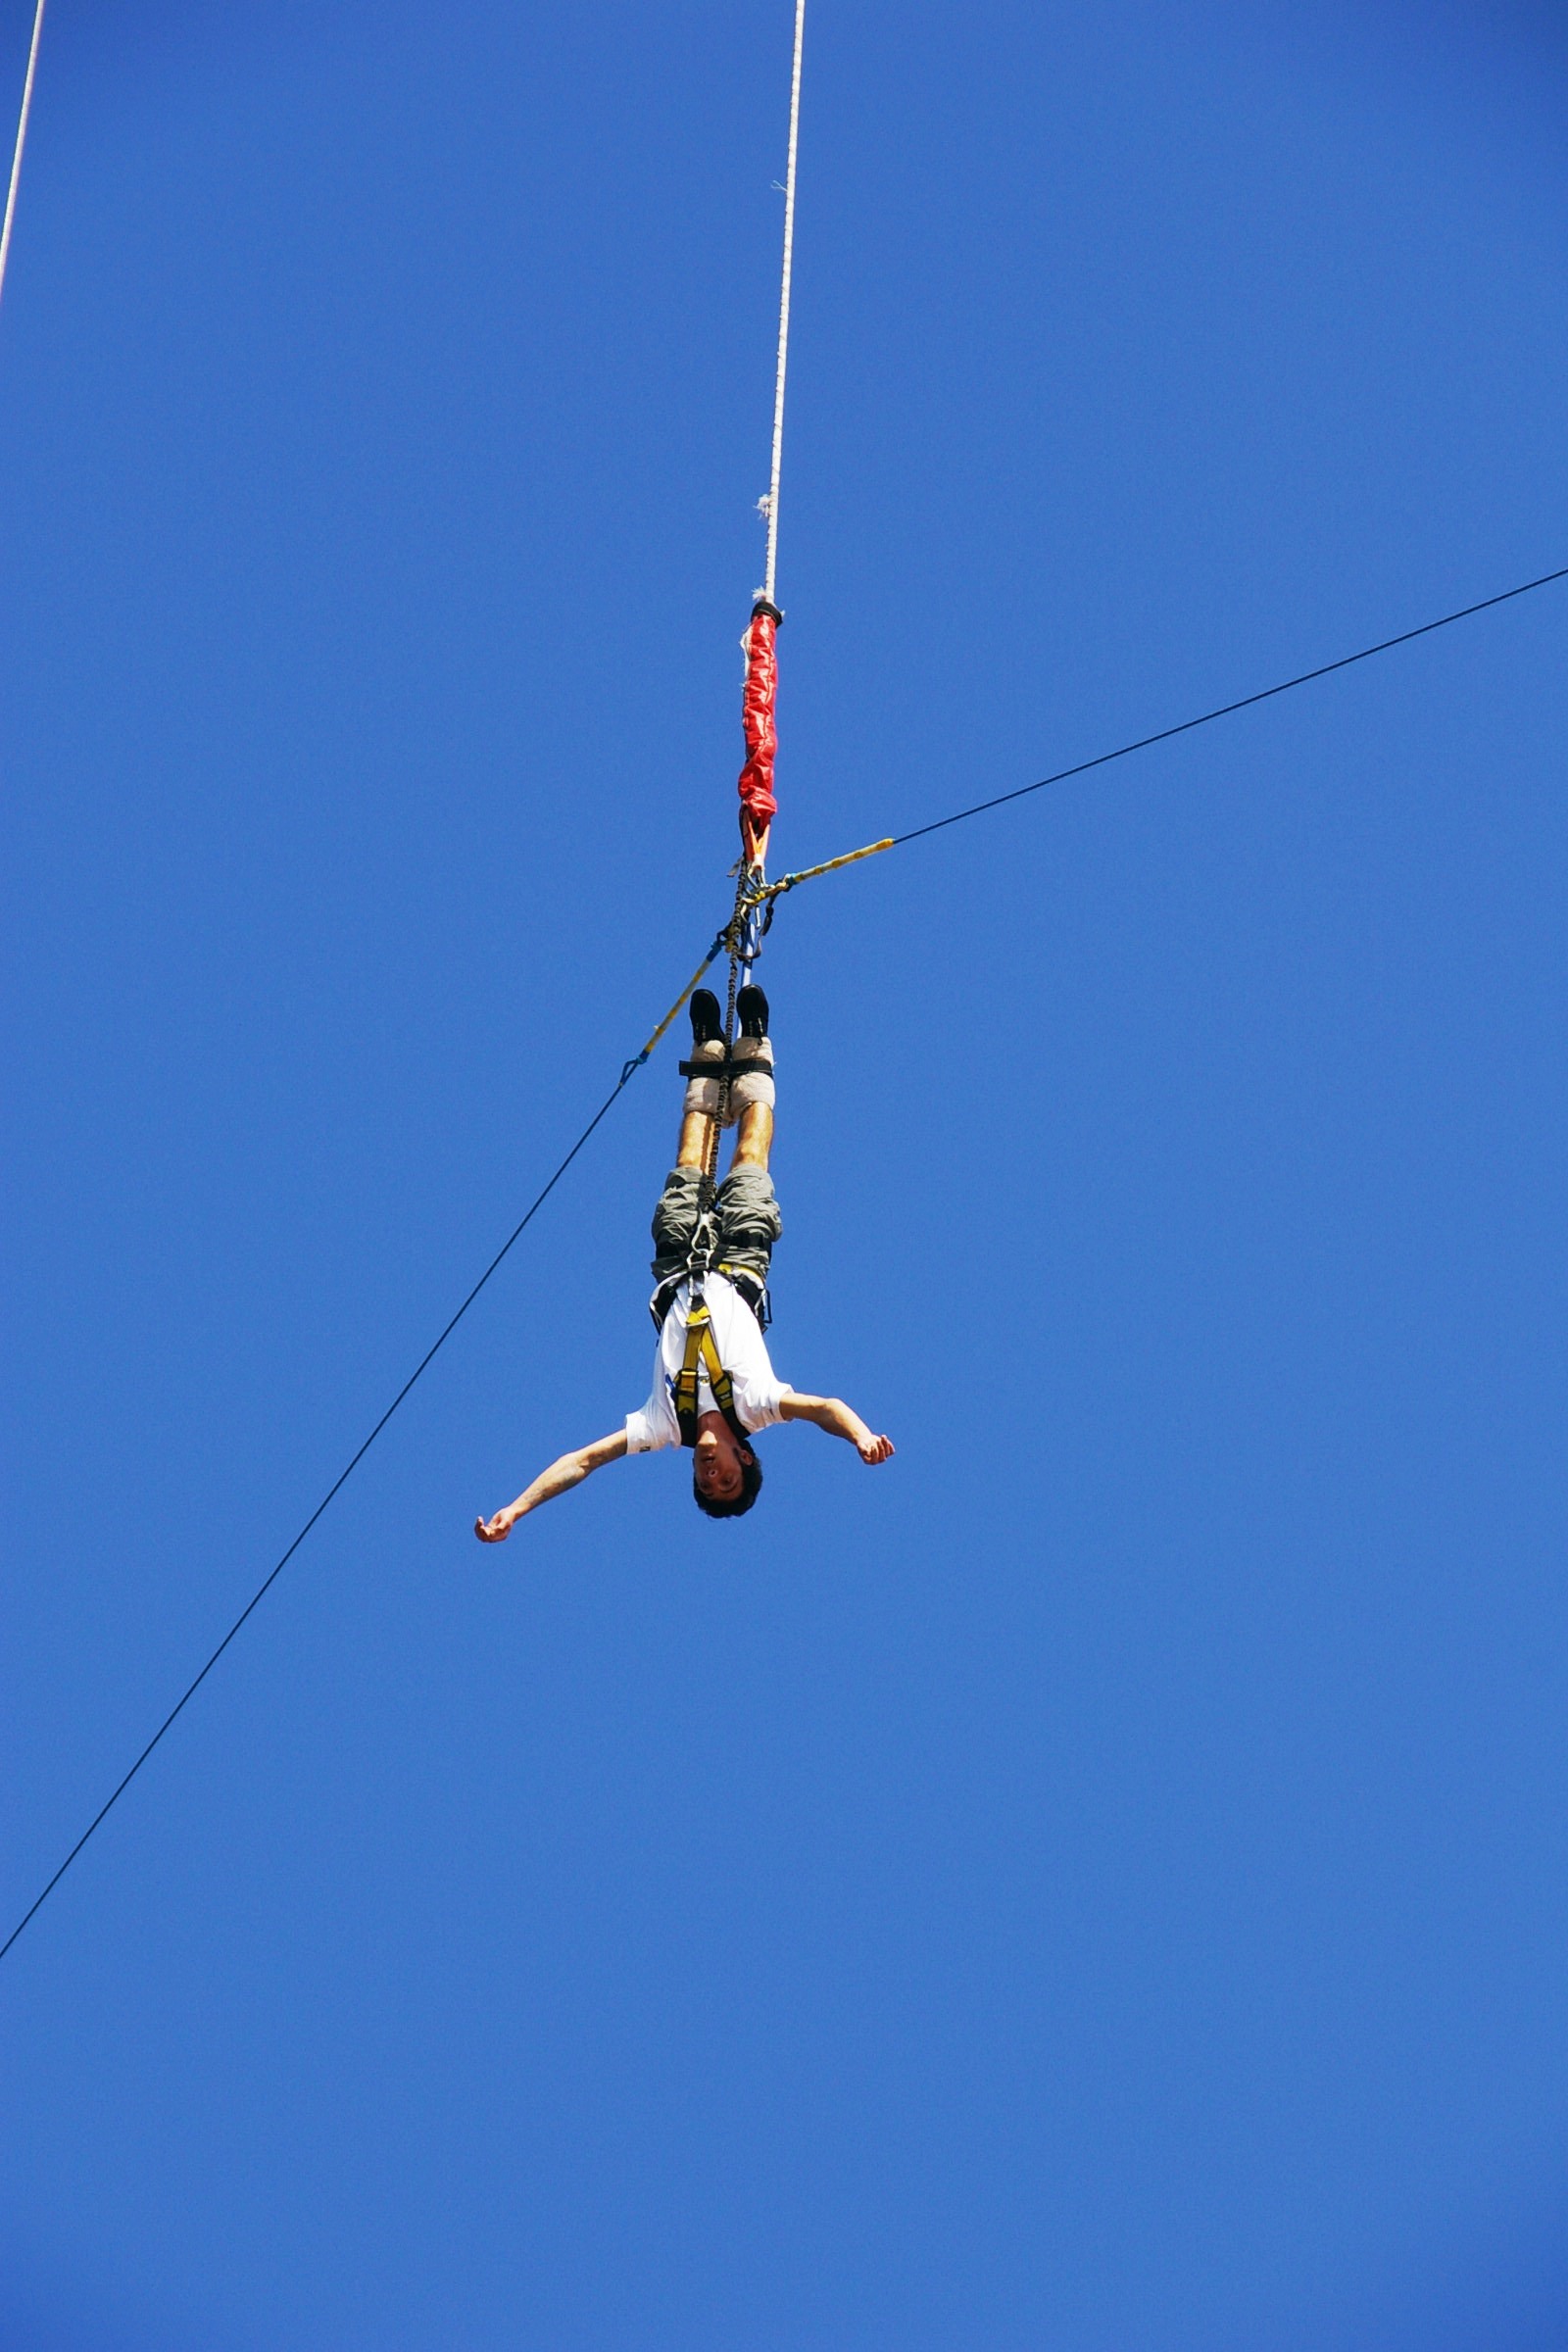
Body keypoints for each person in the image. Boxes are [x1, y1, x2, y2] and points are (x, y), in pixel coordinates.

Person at [474, 982, 893, 1540]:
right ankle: (756, 1052)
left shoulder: (663, 1424)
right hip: (741, 1264)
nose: (711, 1475)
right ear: (745, 1457)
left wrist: (517, 1508)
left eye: (705, 1485)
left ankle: (706, 1058)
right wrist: (862, 1437)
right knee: (749, 1157)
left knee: (690, 1159)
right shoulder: (760, 1407)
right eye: (726, 1480)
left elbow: (583, 1461)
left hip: (677, 1267)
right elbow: (826, 1408)